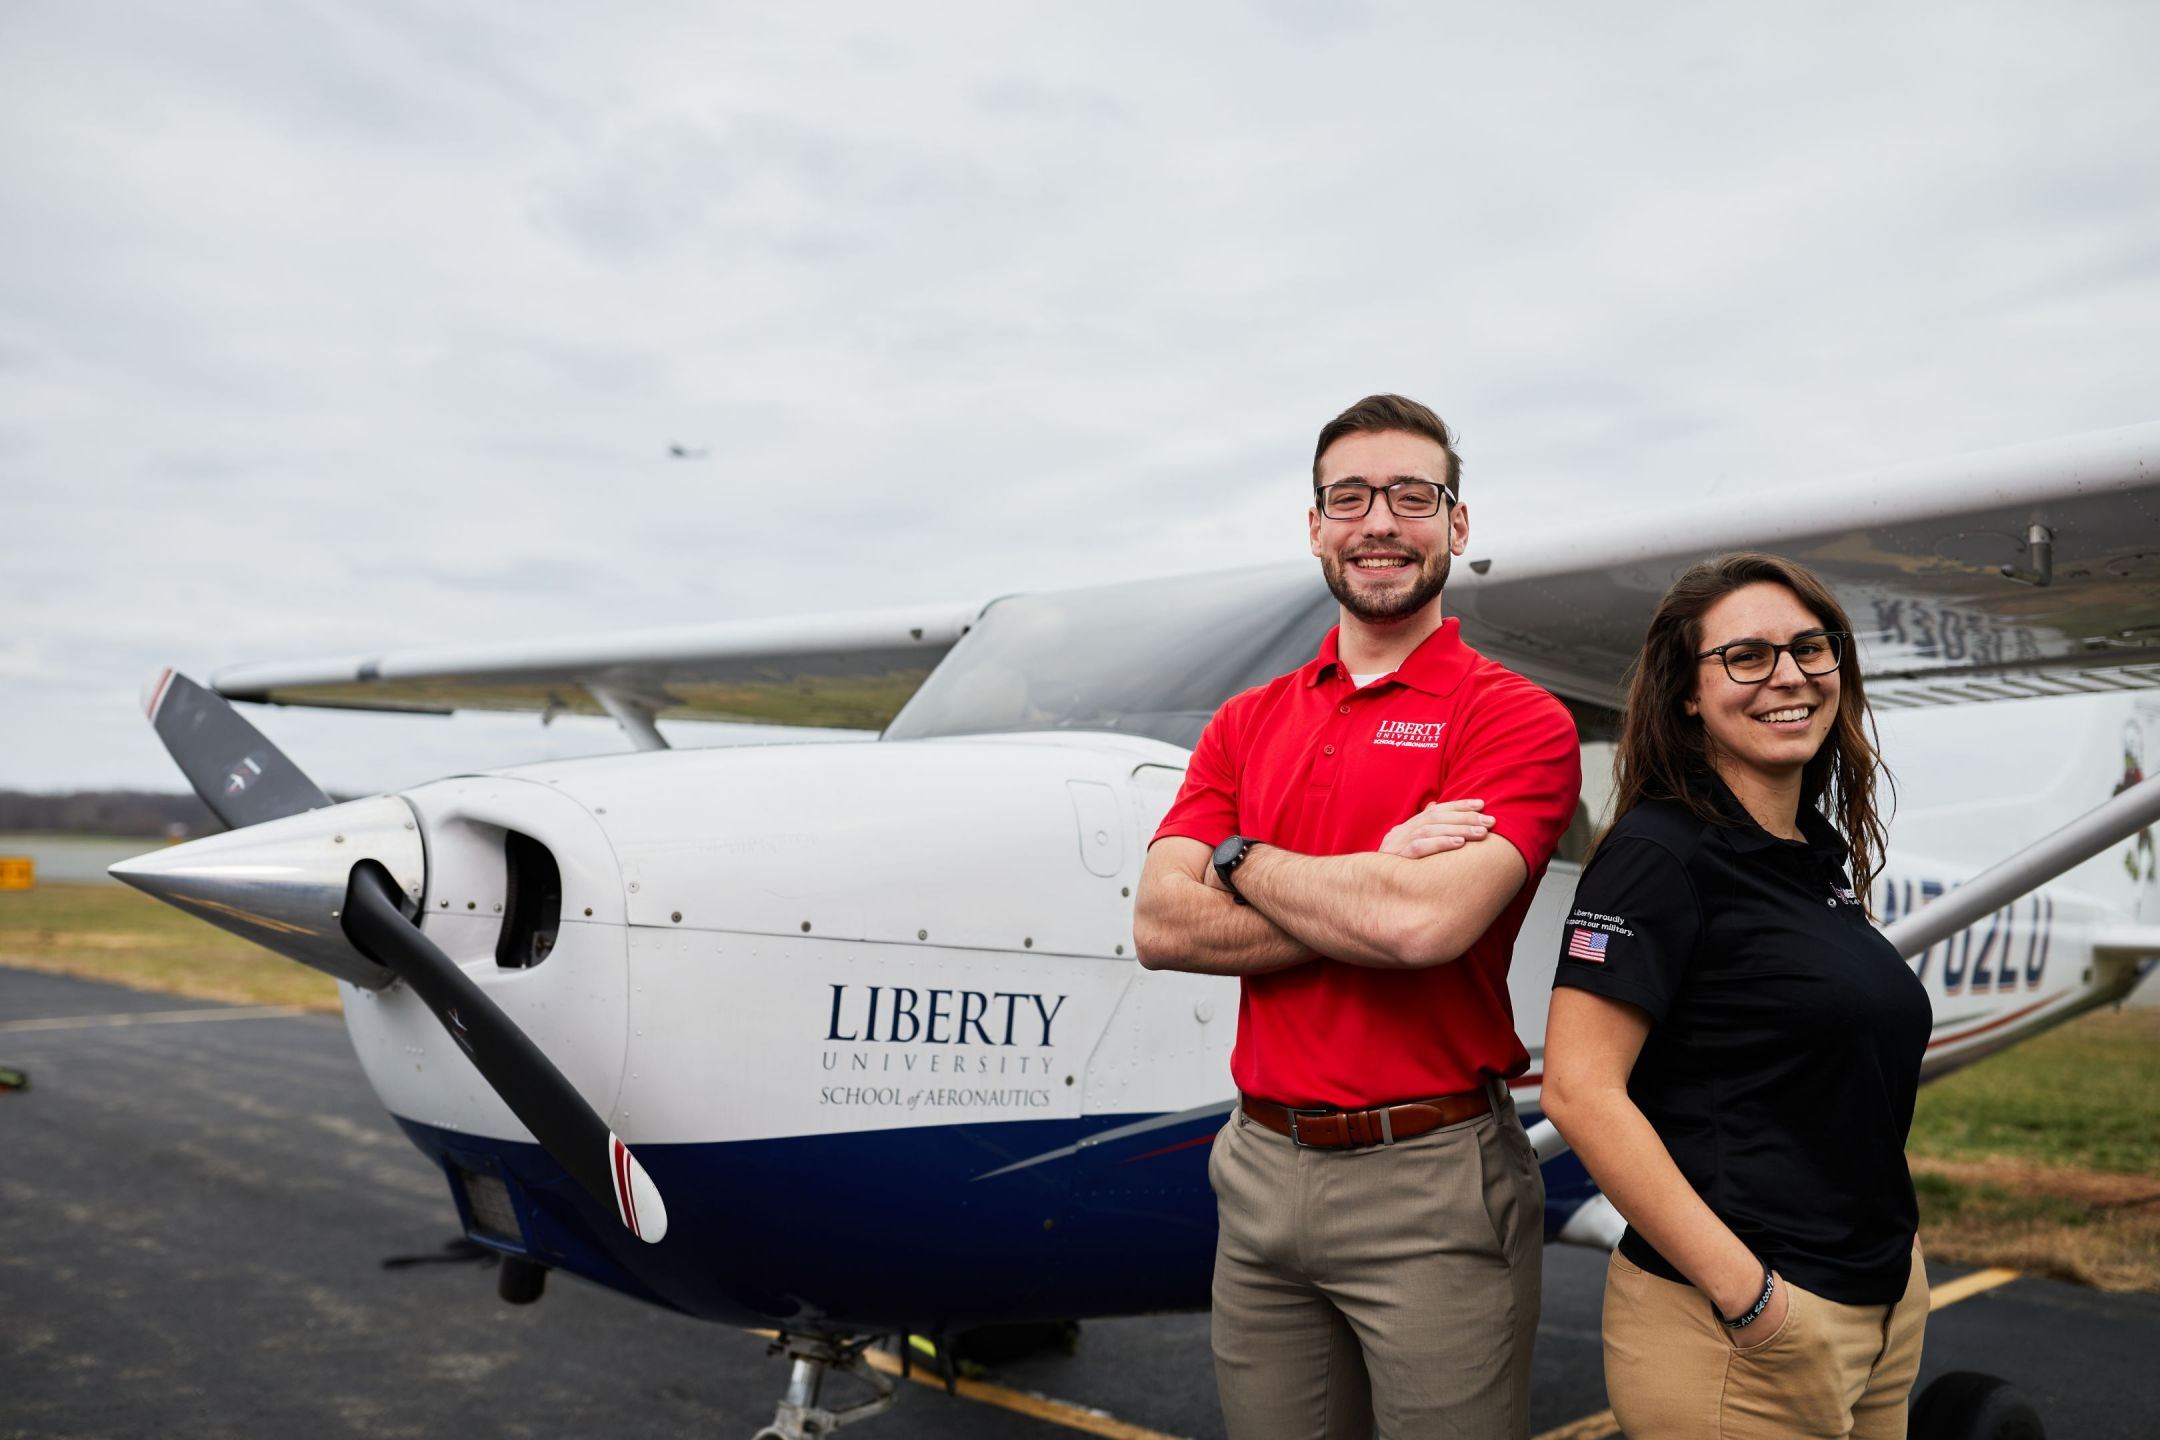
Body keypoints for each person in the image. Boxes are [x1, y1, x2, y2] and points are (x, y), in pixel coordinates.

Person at [1133, 394, 1582, 1440]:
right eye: (1350, 497)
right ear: (1316, 527)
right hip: (1256, 1163)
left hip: (1431, 1177)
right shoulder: (1244, 724)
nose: (1379, 521)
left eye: (1412, 495)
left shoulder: (1514, 718)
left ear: (1457, 526)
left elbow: (1423, 930)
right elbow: (1161, 926)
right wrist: (1369, 874)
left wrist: (1238, 861)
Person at [1540, 552, 1932, 1440]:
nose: (1788, 676)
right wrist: (1750, 1299)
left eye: (1810, 647)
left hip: (1875, 1304)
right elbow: (1579, 1087)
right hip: (1743, 1330)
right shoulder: (1659, 853)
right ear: (1687, 692)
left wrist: (1899, 1247)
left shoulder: (1810, 860)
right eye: (1747, 657)